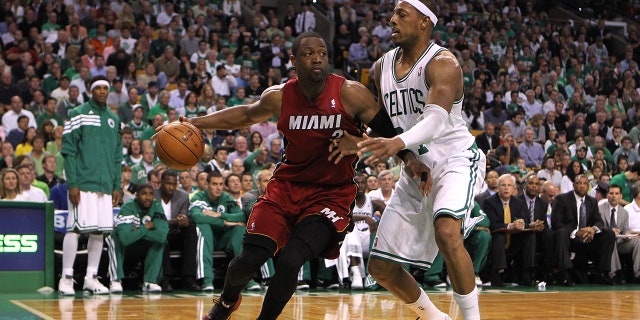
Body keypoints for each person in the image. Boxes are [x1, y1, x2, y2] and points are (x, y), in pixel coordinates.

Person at [165, 32, 402, 320]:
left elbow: (390, 131)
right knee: (248, 260)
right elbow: (244, 115)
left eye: (322, 53)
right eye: (308, 53)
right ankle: (227, 303)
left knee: (290, 261)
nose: (317, 58)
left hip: (331, 193)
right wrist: (195, 122)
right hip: (286, 188)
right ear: (293, 60)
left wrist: (361, 142)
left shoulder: (349, 93)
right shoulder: (279, 96)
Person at [333, 1, 485, 319]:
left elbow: (435, 120)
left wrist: (397, 143)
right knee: (381, 267)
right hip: (416, 169)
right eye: (393, 14)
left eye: (402, 14)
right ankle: (434, 317)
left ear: (423, 23)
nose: (392, 19)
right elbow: (385, 123)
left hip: (455, 161)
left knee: (447, 231)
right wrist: (364, 143)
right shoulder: (381, 67)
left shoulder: (444, 63)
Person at [58, 76, 122, 295]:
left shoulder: (114, 119)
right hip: (82, 183)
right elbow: (68, 150)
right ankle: (66, 278)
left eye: (106, 88)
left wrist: (117, 185)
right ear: (90, 90)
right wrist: (72, 183)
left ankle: (90, 278)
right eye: (98, 88)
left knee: (99, 232)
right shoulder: (78, 113)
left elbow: (116, 157)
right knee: (74, 229)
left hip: (105, 185)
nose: (103, 91)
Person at [551, 174, 616, 286]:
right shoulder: (562, 199)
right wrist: (576, 232)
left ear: (588, 186)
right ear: (573, 185)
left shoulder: (592, 201)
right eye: (579, 183)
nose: (582, 186)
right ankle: (565, 273)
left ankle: (601, 273)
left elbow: (599, 221)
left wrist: (592, 230)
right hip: (569, 239)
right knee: (561, 233)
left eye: (585, 184)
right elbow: (556, 223)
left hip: (587, 239)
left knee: (609, 234)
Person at [189, 171, 248, 291]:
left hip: (223, 240)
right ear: (207, 184)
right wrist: (224, 222)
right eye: (215, 184)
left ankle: (246, 279)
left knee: (240, 227)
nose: (218, 187)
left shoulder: (226, 197)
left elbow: (242, 216)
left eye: (221, 184)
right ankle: (207, 279)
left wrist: (219, 214)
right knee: (202, 226)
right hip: (207, 238)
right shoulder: (198, 197)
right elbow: (196, 217)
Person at [106, 184, 168, 293]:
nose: (148, 197)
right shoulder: (127, 208)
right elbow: (125, 238)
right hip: (127, 245)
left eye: (150, 194)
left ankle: (150, 281)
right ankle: (115, 280)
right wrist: (147, 227)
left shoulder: (157, 206)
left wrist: (139, 230)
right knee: (114, 237)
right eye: (144, 194)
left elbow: (162, 236)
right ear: (136, 195)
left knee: (160, 242)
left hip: (143, 244)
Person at [483, 174, 537, 286]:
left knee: (530, 236)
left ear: (514, 188)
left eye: (509, 185)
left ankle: (527, 273)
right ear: (498, 187)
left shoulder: (518, 202)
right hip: (496, 240)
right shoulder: (489, 202)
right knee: (499, 236)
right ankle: (498, 273)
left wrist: (523, 224)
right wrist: (510, 226)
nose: (506, 188)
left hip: (514, 240)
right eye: (503, 185)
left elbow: (525, 221)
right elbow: (492, 224)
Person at [155, 170, 200, 292]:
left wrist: (183, 220)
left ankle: (189, 278)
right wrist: (173, 221)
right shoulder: (152, 195)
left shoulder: (183, 196)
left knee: (190, 227)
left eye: (174, 184)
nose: (171, 187)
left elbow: (183, 216)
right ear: (161, 183)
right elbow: (155, 221)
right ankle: (165, 279)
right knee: (161, 231)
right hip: (158, 233)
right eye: (168, 183)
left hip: (175, 233)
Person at [598, 184, 640, 283]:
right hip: (604, 241)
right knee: (610, 238)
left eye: (616, 193)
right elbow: (598, 226)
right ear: (607, 195)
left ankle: (638, 274)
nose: (614, 196)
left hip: (620, 241)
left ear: (620, 196)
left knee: (638, 241)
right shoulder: (600, 209)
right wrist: (610, 230)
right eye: (611, 193)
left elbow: (625, 229)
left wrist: (628, 235)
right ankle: (613, 273)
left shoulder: (624, 212)